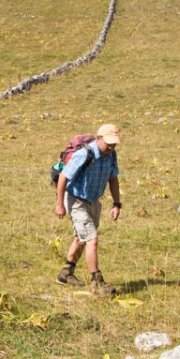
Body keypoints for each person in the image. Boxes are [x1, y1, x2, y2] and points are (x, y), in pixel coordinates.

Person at [55, 123, 123, 298]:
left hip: (94, 201)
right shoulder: (84, 154)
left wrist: (116, 204)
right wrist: (59, 204)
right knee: (92, 239)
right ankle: (97, 282)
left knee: (82, 238)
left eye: (113, 144)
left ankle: (65, 273)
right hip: (76, 200)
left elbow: (113, 179)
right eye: (108, 143)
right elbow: (63, 177)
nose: (111, 147)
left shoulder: (111, 155)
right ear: (99, 138)